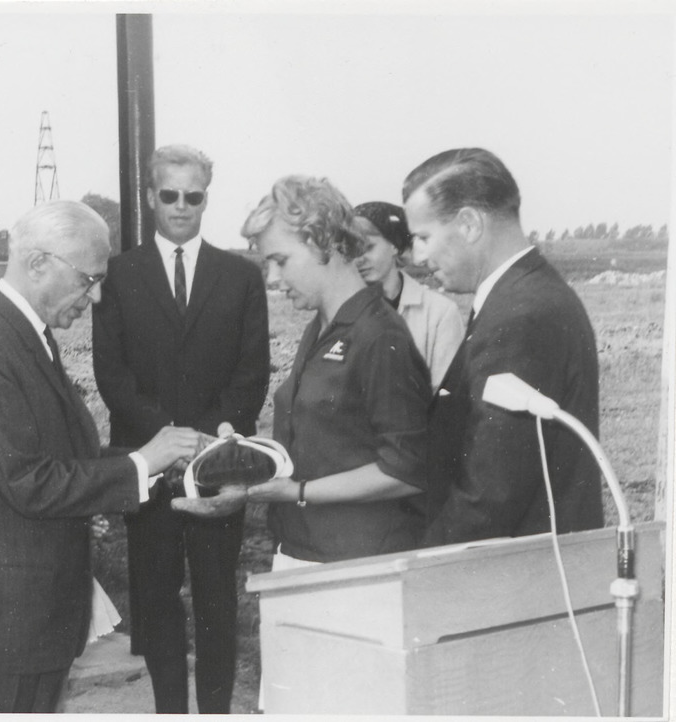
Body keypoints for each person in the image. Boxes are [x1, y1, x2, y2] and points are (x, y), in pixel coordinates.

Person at [0, 200, 204, 714]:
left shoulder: (23, 334)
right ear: (38, 263)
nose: (96, 297)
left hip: (13, 624)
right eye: (89, 280)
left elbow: (61, 456)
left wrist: (156, 459)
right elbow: (27, 479)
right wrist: (141, 464)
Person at [92, 144, 270, 714]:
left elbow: (252, 371)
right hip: (148, 464)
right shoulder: (119, 275)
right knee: (156, 599)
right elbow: (111, 374)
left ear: (205, 200)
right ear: (150, 196)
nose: (181, 206)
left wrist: (207, 444)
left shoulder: (240, 276)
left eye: (193, 196)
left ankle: (215, 712)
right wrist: (165, 439)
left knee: (217, 600)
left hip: (218, 463)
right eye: (169, 194)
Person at [177, 175, 431, 570]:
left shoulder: (378, 335)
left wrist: (296, 492)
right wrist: (240, 457)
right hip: (303, 547)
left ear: (322, 243)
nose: (272, 279)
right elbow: (328, 440)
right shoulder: (323, 326)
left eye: (280, 261)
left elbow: (407, 471)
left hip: (356, 562)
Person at [402, 148, 604, 546]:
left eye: (424, 237)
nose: (418, 255)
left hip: (523, 567)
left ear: (469, 223)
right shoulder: (522, 296)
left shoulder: (520, 316)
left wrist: (428, 561)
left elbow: (491, 493)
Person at [353, 201, 464, 391]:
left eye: (368, 247)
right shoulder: (341, 309)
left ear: (395, 246)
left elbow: (447, 392)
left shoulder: (439, 313)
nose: (359, 259)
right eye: (352, 250)